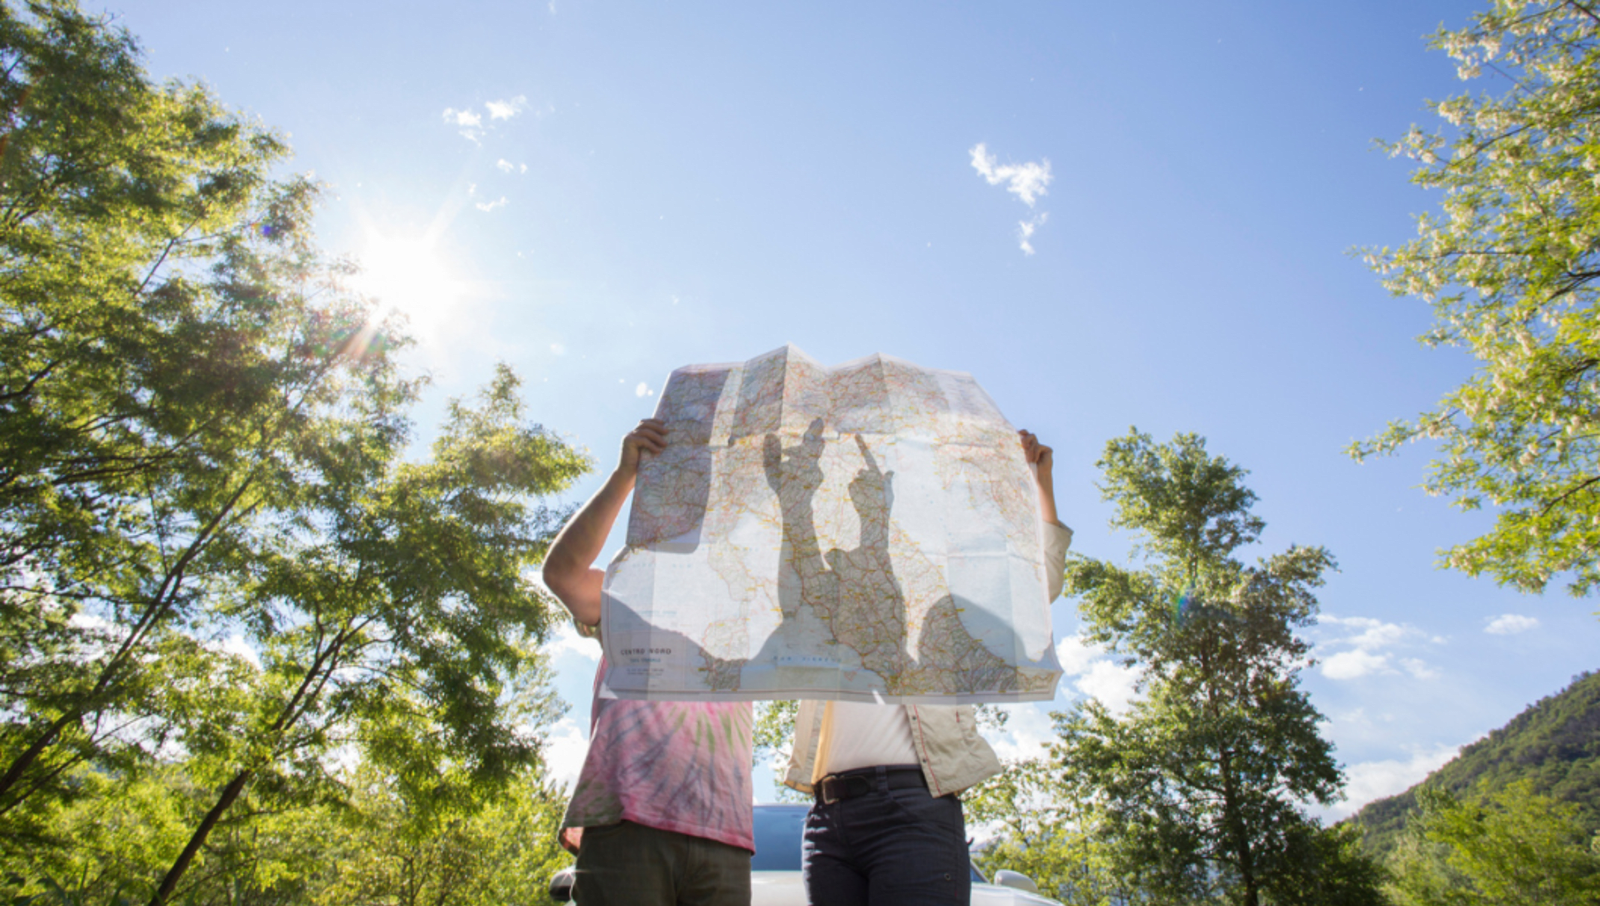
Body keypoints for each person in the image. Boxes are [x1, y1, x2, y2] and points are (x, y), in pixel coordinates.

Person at [783, 429, 1071, 906]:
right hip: (827, 822)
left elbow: (1040, 586)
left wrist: (1038, 483)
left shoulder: (940, 602)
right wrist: (796, 489)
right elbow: (795, 559)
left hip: (913, 809)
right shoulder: (827, 604)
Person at [542, 418, 753, 906]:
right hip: (627, 821)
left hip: (725, 834)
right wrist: (626, 476)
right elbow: (564, 575)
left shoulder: (746, 606)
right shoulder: (631, 593)